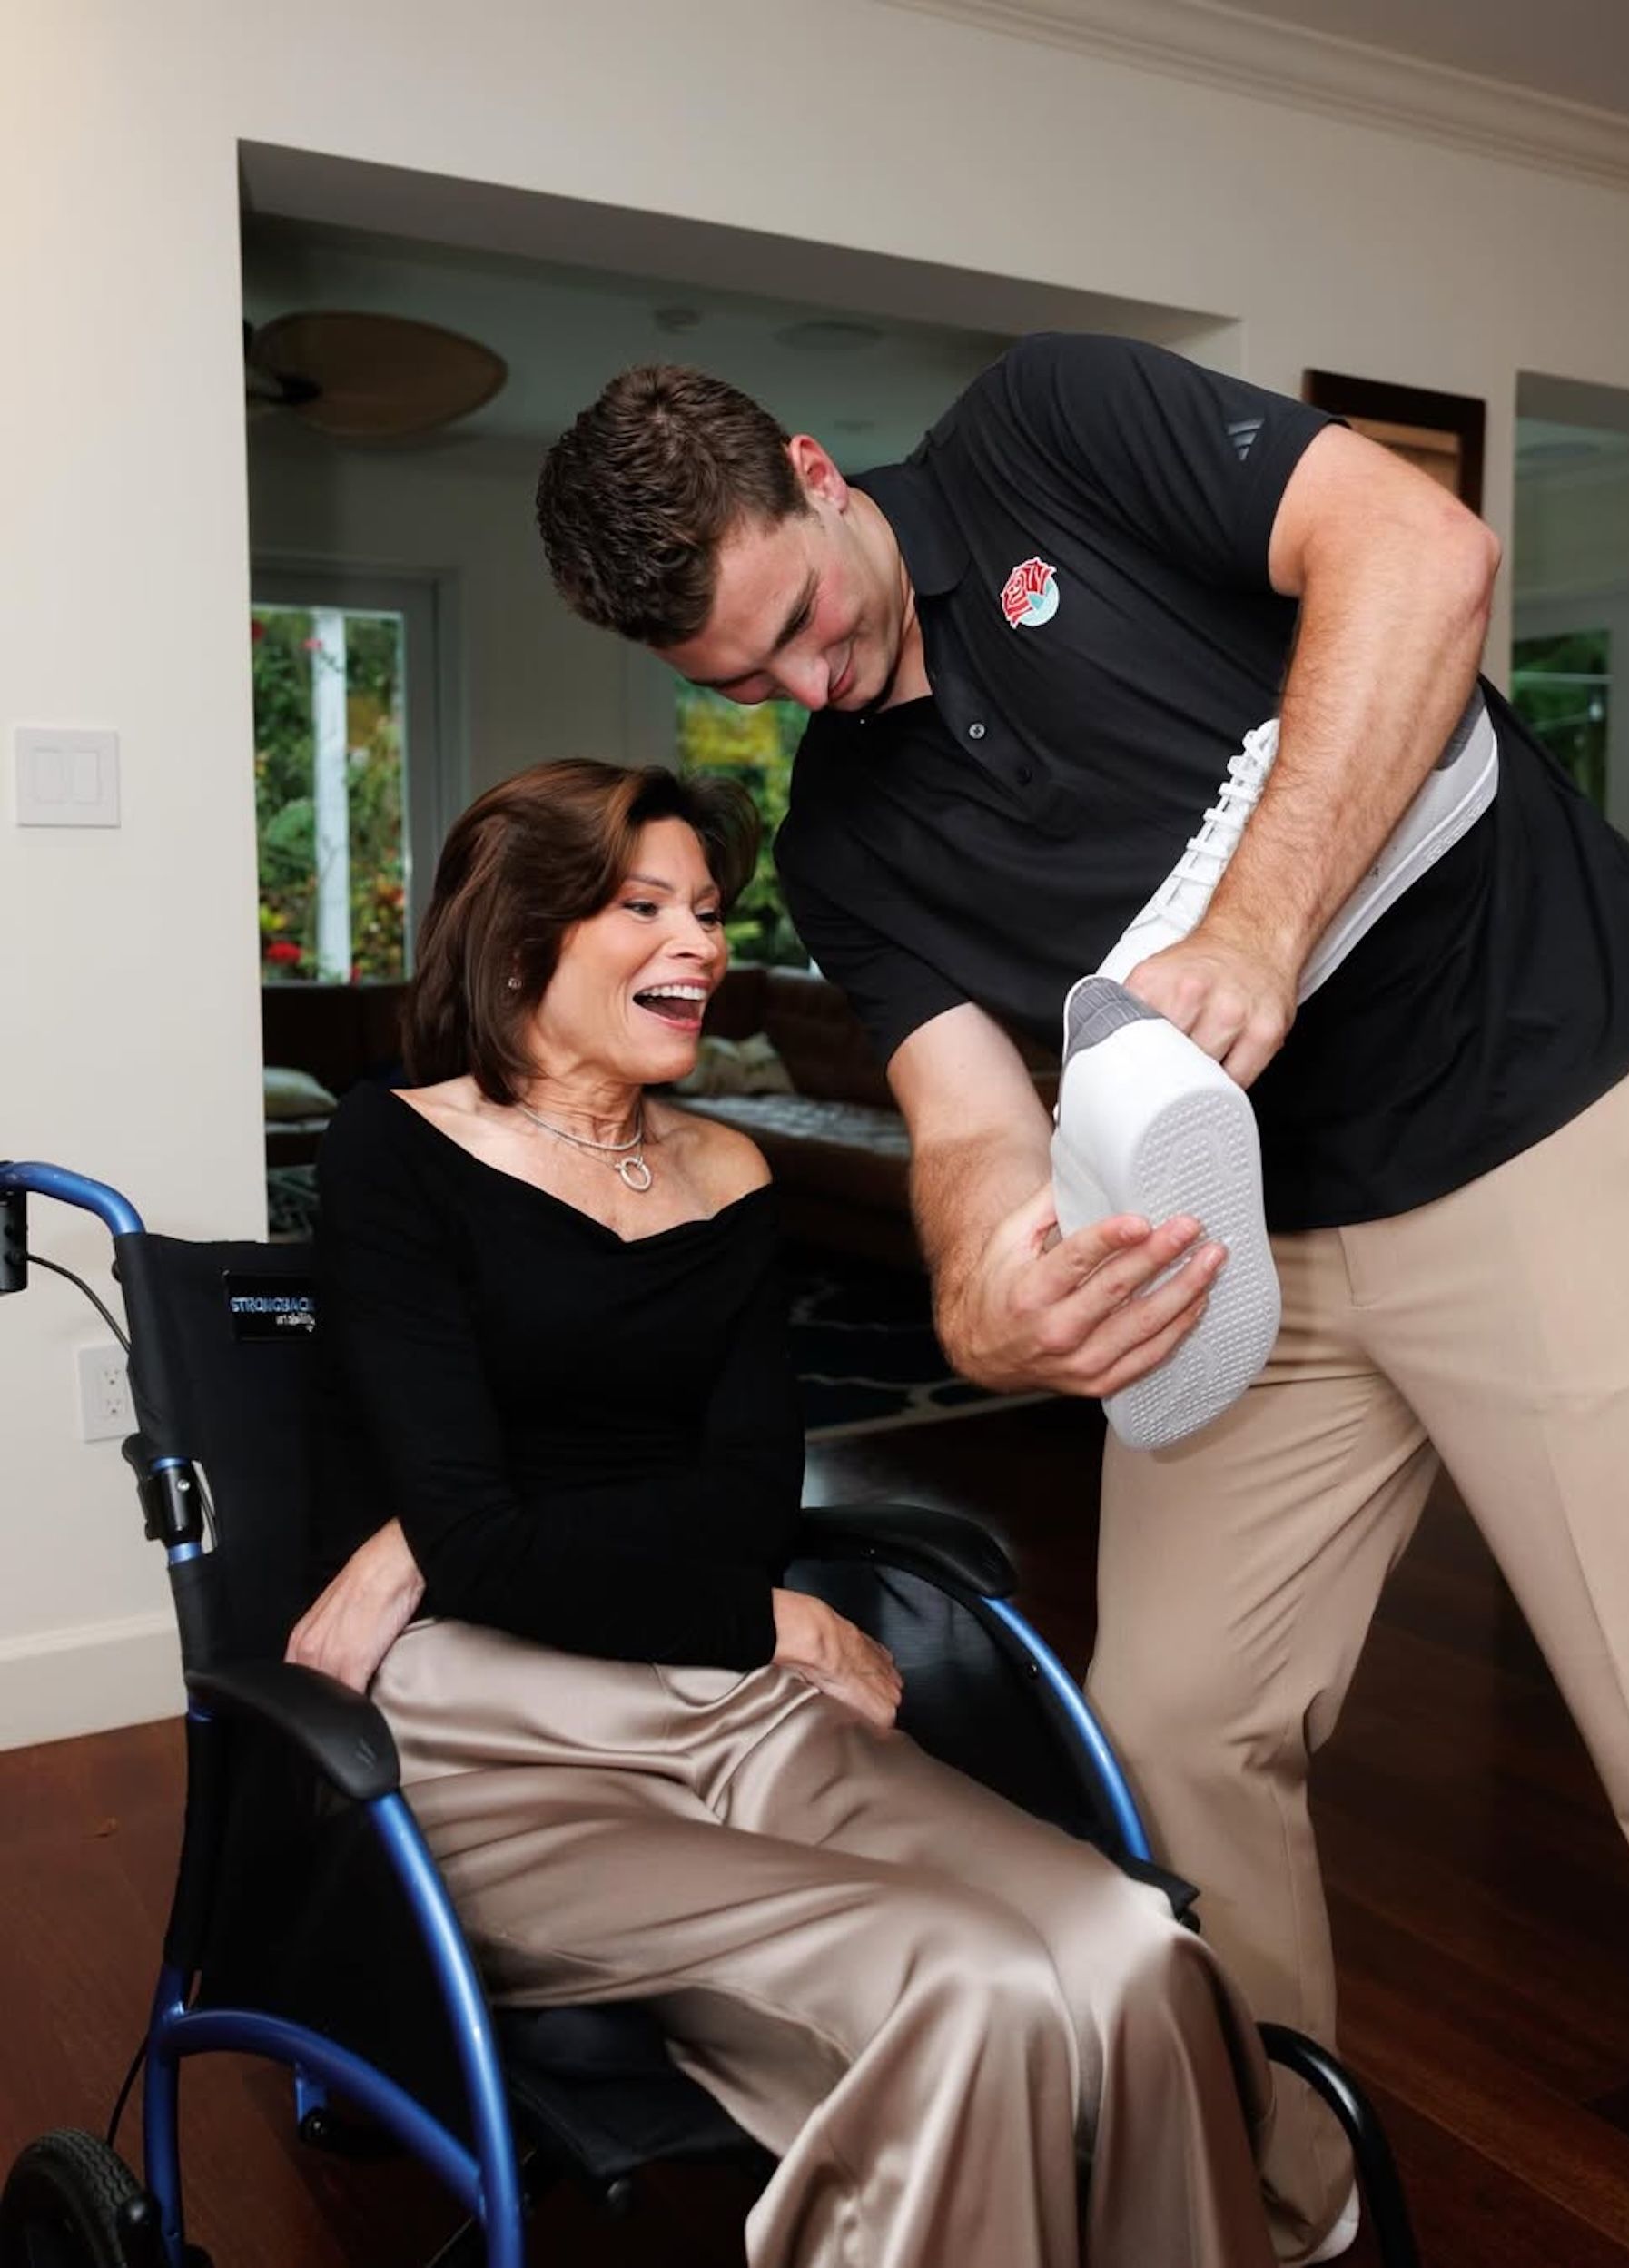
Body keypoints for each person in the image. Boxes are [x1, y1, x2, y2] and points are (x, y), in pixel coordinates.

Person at [535, 338, 1629, 2266]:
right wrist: (986, 1293)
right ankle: (1292, 2207)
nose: (807, 686)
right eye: (741, 682)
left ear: (815, 471)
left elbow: (1423, 556)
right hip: (1256, 1244)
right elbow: (971, 1125)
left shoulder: (1053, 433)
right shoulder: (845, 840)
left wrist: (1255, 931)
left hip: (1536, 1111)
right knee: (1172, 1724)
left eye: (798, 621)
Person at [284, 755, 1276, 2268]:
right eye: (645, 907)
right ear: (522, 937)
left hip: (731, 1699)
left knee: (1129, 1946)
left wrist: (447, 1524)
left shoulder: (731, 1172)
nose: (701, 943)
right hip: (498, 1737)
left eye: (708, 909)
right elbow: (492, 1548)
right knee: (971, 1979)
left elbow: (736, 1502)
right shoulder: (393, 1147)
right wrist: (733, 1604)